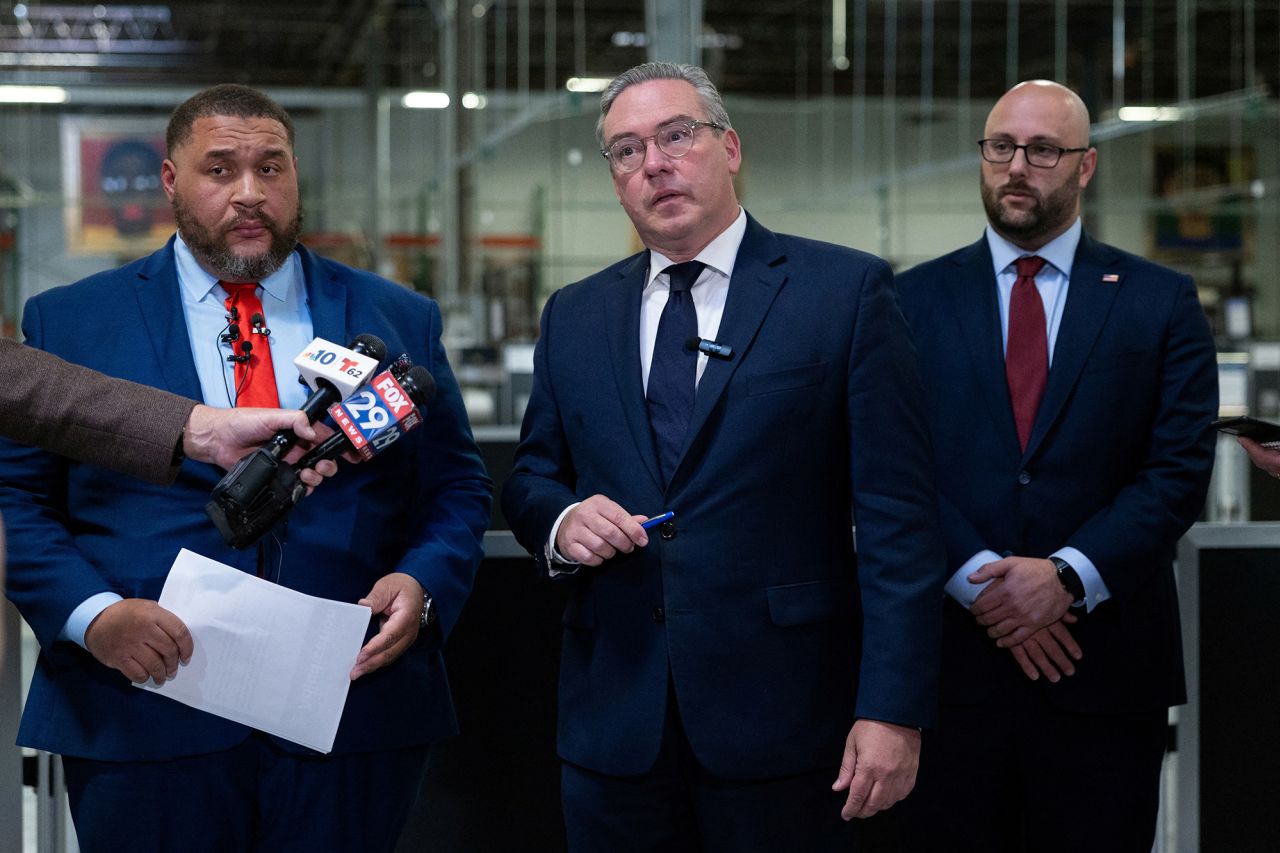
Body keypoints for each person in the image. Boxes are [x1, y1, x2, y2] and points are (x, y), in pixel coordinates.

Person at [0, 84, 492, 853]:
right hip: (144, 708)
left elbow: (457, 486)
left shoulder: (396, 317)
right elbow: (17, 500)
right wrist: (93, 616)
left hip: (350, 712)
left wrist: (424, 580)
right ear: (170, 181)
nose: (249, 193)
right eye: (220, 169)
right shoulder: (71, 320)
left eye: (271, 168)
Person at [501, 62, 944, 852]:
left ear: (730, 147)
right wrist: (564, 520)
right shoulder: (575, 314)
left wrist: (892, 708)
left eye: (677, 135)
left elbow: (898, 521)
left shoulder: (844, 294)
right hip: (615, 723)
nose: (655, 164)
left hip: (788, 722)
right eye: (627, 151)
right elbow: (532, 475)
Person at [894, 80, 1218, 852]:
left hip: (1102, 672)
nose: (1016, 167)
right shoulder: (906, 301)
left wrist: (1067, 575)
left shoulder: (1160, 301)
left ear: (1085, 166)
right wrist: (983, 585)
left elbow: (1176, 472)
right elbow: (891, 471)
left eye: (1043, 150)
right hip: (947, 674)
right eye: (1000, 146)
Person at [0, 336, 338, 485]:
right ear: (170, 184)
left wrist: (204, 431)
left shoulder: (380, 302)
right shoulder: (69, 312)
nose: (249, 193)